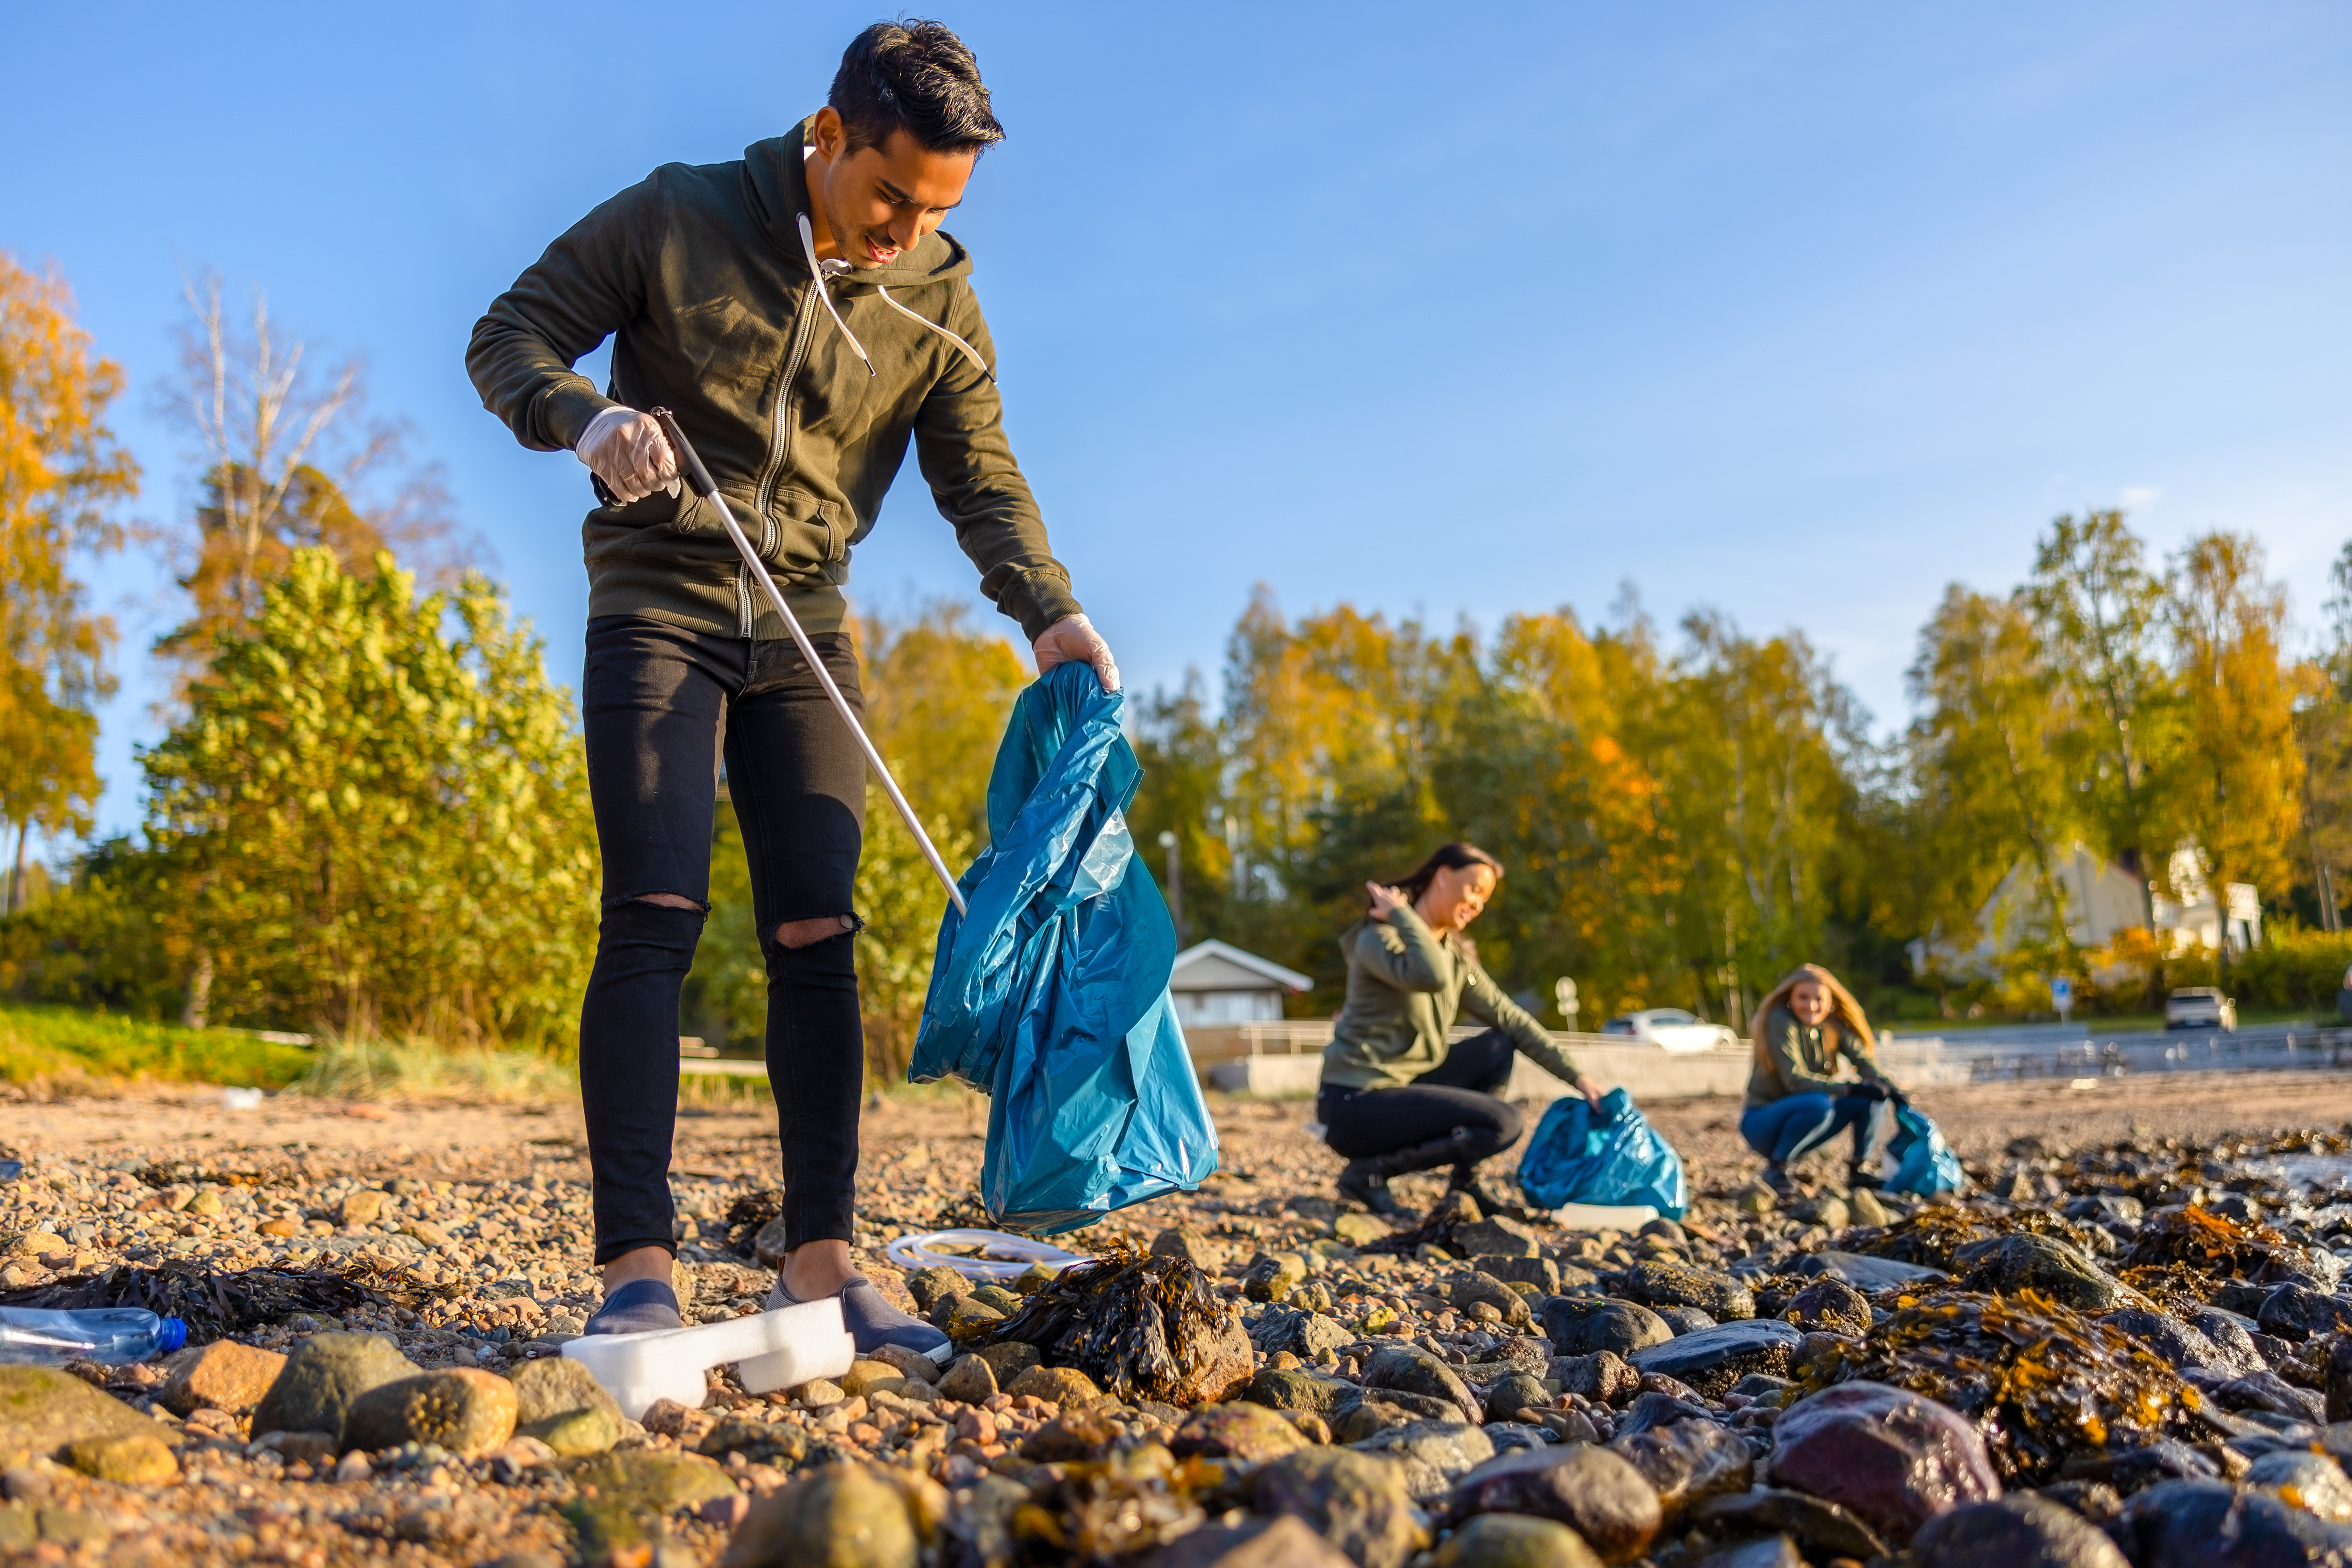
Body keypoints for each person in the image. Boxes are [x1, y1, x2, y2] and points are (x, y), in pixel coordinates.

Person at [466, 21, 1118, 1352]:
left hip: (805, 623)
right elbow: (509, 336)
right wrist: (586, 418)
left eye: (936, 211)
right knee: (653, 907)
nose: (905, 233)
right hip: (660, 597)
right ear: (829, 137)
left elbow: (979, 477)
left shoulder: (936, 293)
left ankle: (819, 1255)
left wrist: (1050, 611)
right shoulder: (678, 215)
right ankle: (636, 1266)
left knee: (821, 928)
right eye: (893, 196)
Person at [1316, 843, 1604, 1219]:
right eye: (1475, 891)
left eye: (1485, 898)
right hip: (1355, 1104)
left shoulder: (1455, 958)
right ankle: (1369, 1173)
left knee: (1498, 1046)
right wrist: (1403, 915)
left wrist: (1579, 1078)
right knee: (1504, 1122)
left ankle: (1466, 1181)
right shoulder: (1379, 939)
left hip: (1405, 1088)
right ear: (1442, 877)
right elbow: (1429, 976)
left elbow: (1510, 1017)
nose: (1479, 905)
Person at [1740, 964, 1899, 1198]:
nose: (1811, 1006)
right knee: (1819, 1103)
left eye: (1819, 999)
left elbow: (1864, 1062)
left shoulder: (1833, 1025)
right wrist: (1848, 1088)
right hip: (1763, 1124)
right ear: (1790, 998)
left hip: (1808, 1124)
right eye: (1803, 998)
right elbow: (1795, 1081)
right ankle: (1776, 1168)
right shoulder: (1779, 1021)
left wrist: (1890, 1089)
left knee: (1871, 1099)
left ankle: (1859, 1169)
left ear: (1830, 1001)